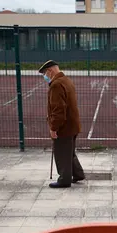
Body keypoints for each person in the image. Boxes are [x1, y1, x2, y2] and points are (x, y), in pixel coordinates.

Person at [40, 60, 85, 188]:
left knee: (61, 153)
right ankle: (78, 174)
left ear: (50, 71)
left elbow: (58, 110)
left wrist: (54, 128)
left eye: (45, 73)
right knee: (69, 152)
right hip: (73, 125)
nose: (45, 76)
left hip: (64, 127)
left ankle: (64, 180)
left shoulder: (56, 85)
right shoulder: (66, 80)